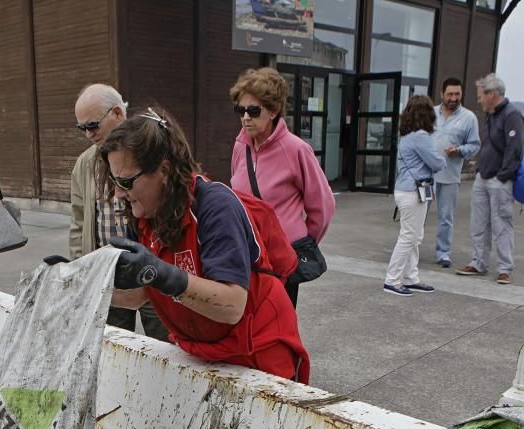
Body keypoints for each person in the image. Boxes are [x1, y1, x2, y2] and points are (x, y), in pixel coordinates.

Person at [98, 107, 310, 383]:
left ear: (163, 169)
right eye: (115, 181)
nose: (118, 192)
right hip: (201, 350)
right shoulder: (143, 216)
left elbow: (232, 305)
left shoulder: (215, 207)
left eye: (126, 181)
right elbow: (140, 295)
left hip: (257, 350)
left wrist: (161, 275)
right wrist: (85, 285)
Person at [228, 67, 335, 306]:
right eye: (241, 110)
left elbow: (323, 204)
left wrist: (300, 243)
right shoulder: (240, 147)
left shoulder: (295, 149)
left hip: (280, 260)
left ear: (274, 110)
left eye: (254, 111)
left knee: (277, 326)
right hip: (248, 255)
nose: (246, 117)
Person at [71, 84, 168, 341]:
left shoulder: (150, 148)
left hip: (153, 271)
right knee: (111, 347)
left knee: (165, 349)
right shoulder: (84, 163)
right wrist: (84, 270)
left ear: (117, 113)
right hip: (108, 274)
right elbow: (79, 223)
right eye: (82, 128)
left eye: (92, 125)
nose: (88, 135)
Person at [457, 73, 524, 285]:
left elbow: (515, 149)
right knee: (478, 223)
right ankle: (478, 262)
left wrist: (504, 175)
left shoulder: (512, 115)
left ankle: (505, 268)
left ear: (492, 94)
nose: (478, 100)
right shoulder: (492, 114)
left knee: (501, 223)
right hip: (482, 176)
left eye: (480, 96)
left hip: (499, 179)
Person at [383, 96, 445, 297]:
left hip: (408, 189)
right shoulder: (420, 136)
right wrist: (442, 158)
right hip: (413, 191)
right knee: (409, 236)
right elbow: (437, 163)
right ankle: (392, 280)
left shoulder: (407, 136)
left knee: (414, 236)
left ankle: (411, 277)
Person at [431, 77, 480, 268]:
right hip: (427, 176)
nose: (454, 98)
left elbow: (474, 145)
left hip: (450, 176)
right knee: (418, 214)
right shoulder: (430, 113)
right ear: (442, 94)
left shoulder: (469, 118)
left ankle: (443, 253)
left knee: (446, 216)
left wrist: (459, 151)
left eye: (457, 94)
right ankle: (411, 250)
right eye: (450, 94)